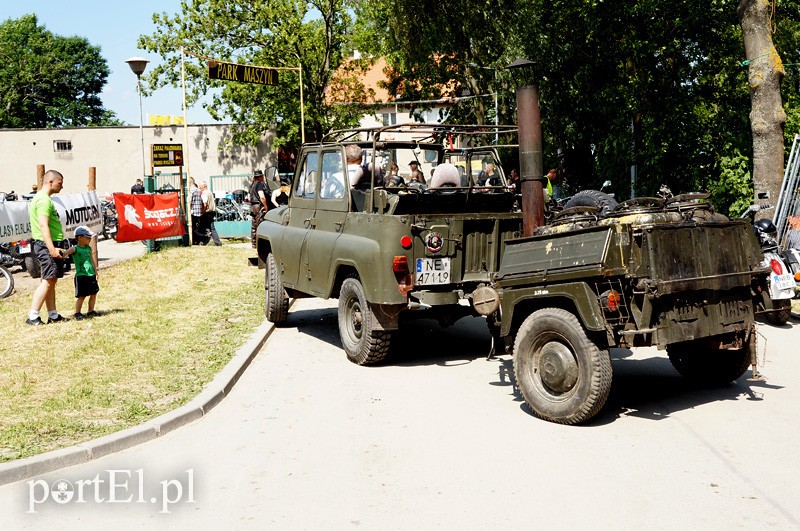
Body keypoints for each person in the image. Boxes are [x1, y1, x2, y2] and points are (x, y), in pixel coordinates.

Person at [26, 169, 69, 326]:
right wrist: (51, 249)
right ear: (50, 181)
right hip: (47, 245)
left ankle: (53, 315)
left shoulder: (41, 198)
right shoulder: (44, 200)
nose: (61, 186)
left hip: (46, 245)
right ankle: (32, 316)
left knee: (50, 279)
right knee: (48, 281)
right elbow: (43, 225)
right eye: (60, 183)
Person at [62, 225, 99, 319]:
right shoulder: (75, 248)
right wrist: (63, 254)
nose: (90, 239)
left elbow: (92, 260)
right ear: (79, 238)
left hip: (91, 274)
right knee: (82, 296)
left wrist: (96, 271)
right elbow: (65, 253)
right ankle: (77, 312)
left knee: (93, 293)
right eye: (87, 237)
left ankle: (91, 311)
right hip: (81, 275)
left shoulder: (88, 248)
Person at [249, 169, 269, 248]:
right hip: (258, 206)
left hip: (252, 206)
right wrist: (265, 205)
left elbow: (248, 196)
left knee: (254, 226)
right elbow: (262, 196)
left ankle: (254, 244)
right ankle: (260, 244)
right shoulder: (260, 184)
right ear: (260, 177)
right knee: (260, 224)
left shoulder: (252, 185)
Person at [199, 180, 222, 246]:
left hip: (207, 213)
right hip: (212, 212)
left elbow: (205, 204)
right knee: (210, 227)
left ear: (204, 187)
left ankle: (205, 241)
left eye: (200, 187)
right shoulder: (210, 192)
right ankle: (211, 241)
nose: (200, 189)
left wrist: (202, 211)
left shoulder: (204, 193)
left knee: (203, 227)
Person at [189, 177, 207, 245]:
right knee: (197, 227)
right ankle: (199, 240)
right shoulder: (199, 190)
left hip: (193, 212)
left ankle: (201, 238)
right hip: (199, 211)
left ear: (189, 183)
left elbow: (189, 202)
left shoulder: (191, 190)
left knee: (193, 228)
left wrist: (188, 210)